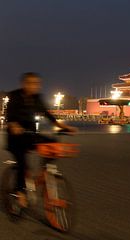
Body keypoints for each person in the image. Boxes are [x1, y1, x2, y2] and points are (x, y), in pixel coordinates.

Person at [6, 72, 77, 208]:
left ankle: (44, 172)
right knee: (22, 163)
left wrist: (63, 126)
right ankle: (20, 192)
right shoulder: (14, 96)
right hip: (15, 137)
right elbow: (10, 115)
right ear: (24, 84)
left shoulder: (37, 98)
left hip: (31, 134)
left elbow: (47, 115)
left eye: (37, 83)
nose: (35, 86)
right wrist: (14, 125)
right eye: (31, 83)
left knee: (53, 145)